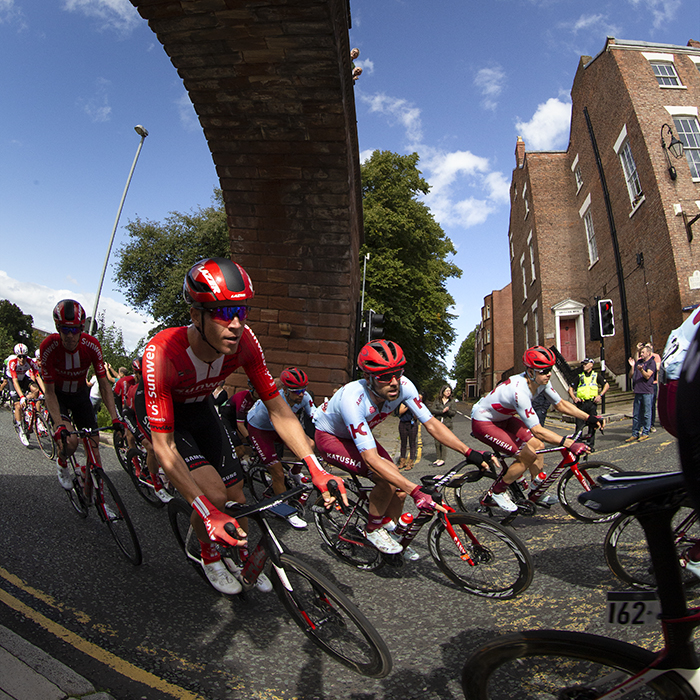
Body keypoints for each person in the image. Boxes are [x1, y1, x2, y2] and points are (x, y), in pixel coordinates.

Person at [136, 257, 345, 595]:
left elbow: (278, 410)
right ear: (195, 315)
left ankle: (240, 552)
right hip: (167, 415)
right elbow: (165, 447)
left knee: (238, 493)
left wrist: (315, 467)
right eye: (221, 312)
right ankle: (205, 551)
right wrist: (206, 511)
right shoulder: (162, 352)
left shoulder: (245, 343)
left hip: (200, 407)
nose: (235, 324)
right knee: (215, 496)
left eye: (241, 312)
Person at [313, 339, 493, 558]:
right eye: (385, 377)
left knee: (399, 491)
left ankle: (393, 533)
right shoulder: (353, 398)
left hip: (358, 435)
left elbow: (432, 424)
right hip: (332, 438)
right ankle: (372, 529)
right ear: (368, 378)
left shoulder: (405, 386)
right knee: (387, 480)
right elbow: (370, 459)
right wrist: (416, 491)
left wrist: (469, 452)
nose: (394, 382)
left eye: (397, 373)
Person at [471, 345, 602, 512]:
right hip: (484, 422)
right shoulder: (520, 391)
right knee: (527, 454)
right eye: (544, 370)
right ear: (531, 372)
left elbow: (561, 404)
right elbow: (538, 430)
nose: (548, 374)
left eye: (550, 369)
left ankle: (535, 491)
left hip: (503, 418)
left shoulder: (541, 382)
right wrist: (569, 443)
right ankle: (498, 491)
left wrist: (588, 418)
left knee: (538, 446)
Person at [40, 300, 124, 492]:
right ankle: (62, 462)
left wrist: (115, 418)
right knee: (70, 442)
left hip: (79, 396)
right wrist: (59, 425)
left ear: (82, 328)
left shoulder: (92, 345)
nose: (70, 336)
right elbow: (49, 392)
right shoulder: (49, 346)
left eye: (75, 330)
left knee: (95, 453)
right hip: (59, 397)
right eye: (65, 330)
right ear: (57, 327)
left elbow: (104, 385)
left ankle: (95, 499)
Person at [246, 367, 317, 528]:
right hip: (260, 429)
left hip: (282, 424)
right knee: (277, 473)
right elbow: (284, 429)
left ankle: (294, 473)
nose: (301, 394)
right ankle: (286, 511)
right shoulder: (275, 400)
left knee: (310, 444)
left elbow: (315, 417)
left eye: (303, 390)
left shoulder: (303, 397)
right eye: (296, 391)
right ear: (285, 389)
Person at [7, 343, 46, 446]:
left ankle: (28, 405)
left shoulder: (29, 361)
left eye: (24, 356)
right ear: (16, 356)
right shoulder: (13, 363)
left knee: (36, 390)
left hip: (23, 377)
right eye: (19, 357)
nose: (22, 359)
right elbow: (15, 381)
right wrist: (22, 397)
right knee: (17, 405)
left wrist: (46, 393)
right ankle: (21, 430)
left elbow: (37, 376)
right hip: (13, 379)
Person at [567, 358, 609, 450]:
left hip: (591, 403)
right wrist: (574, 398)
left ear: (591, 365)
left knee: (592, 425)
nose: (584, 366)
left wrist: (600, 395)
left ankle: (590, 445)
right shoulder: (579, 376)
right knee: (579, 425)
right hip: (581, 404)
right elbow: (570, 389)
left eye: (586, 364)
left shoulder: (596, 375)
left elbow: (606, 385)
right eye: (583, 364)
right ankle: (578, 445)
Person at [625, 342, 656, 442]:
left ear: (648, 353)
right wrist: (633, 367)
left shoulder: (652, 363)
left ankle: (645, 432)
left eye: (643, 352)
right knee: (636, 414)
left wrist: (642, 370)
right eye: (640, 352)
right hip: (638, 391)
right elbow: (630, 375)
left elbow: (647, 376)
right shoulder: (638, 362)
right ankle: (635, 433)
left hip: (647, 391)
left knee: (647, 413)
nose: (641, 354)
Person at [430, 384, 457, 467]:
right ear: (443, 391)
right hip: (437, 423)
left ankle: (442, 459)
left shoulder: (452, 401)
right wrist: (442, 411)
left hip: (447, 424)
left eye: (449, 391)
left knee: (444, 442)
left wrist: (448, 411)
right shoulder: (438, 400)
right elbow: (432, 410)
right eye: (447, 391)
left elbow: (453, 413)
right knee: (437, 442)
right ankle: (438, 458)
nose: (448, 392)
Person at [397, 396, 420, 470]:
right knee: (403, 443)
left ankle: (410, 463)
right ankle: (402, 462)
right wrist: (408, 406)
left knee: (412, 443)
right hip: (403, 423)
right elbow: (400, 411)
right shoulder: (404, 403)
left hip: (412, 424)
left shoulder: (416, 404)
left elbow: (416, 416)